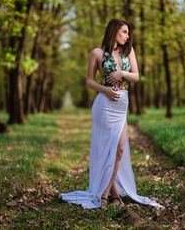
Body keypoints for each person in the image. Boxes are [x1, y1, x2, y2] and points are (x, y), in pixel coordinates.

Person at [60, 18, 164, 209]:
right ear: (114, 31)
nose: (128, 36)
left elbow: (136, 76)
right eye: (124, 32)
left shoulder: (128, 51)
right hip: (104, 106)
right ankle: (109, 194)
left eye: (128, 32)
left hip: (122, 107)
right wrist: (105, 90)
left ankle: (107, 193)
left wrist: (122, 74)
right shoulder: (97, 53)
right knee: (108, 149)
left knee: (120, 150)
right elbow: (89, 81)